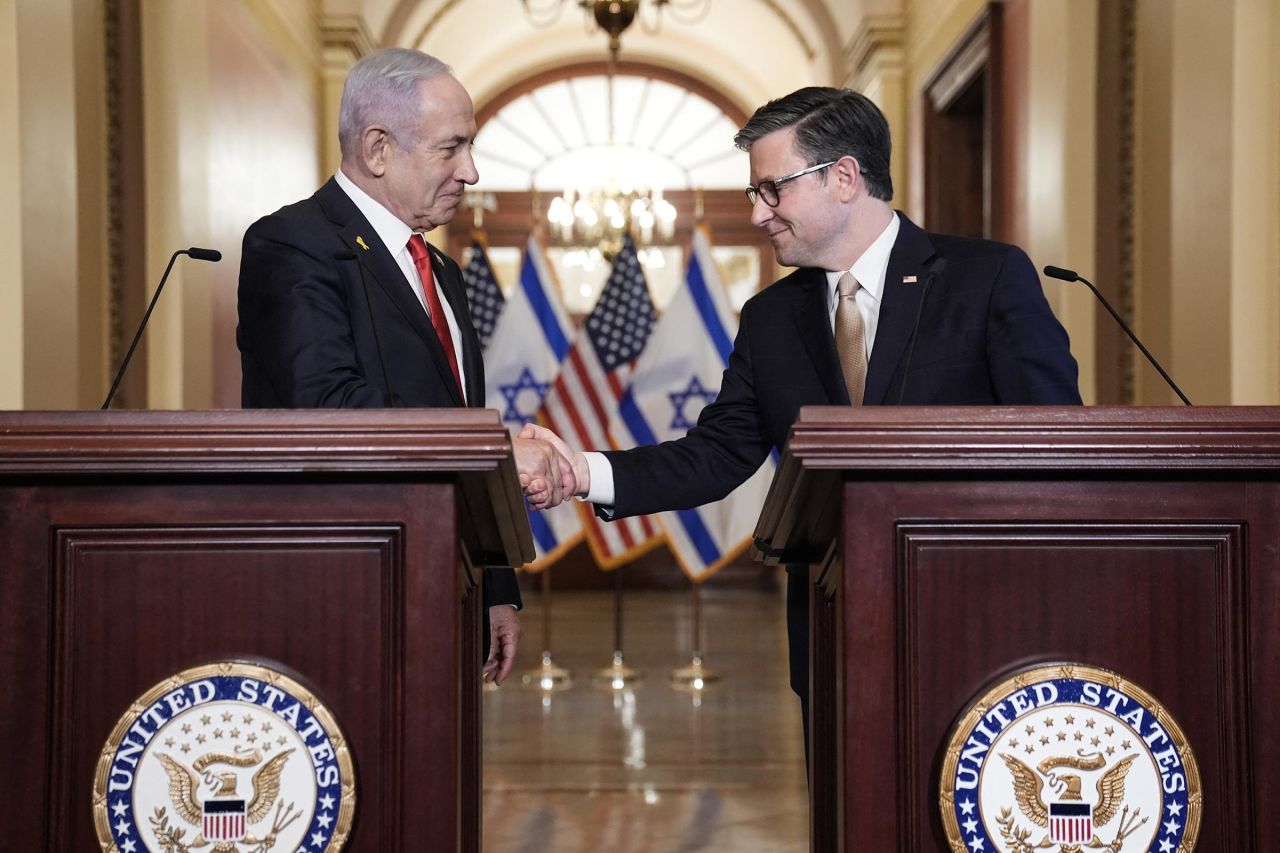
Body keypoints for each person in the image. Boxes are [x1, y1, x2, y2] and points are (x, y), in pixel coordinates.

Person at [522, 86, 1081, 741]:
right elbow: (718, 452)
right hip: (832, 624)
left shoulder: (984, 279)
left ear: (843, 177)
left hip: (980, 616)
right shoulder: (771, 316)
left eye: (771, 190)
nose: (759, 214)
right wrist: (582, 471)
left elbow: (1053, 441)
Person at [237, 47, 573, 685]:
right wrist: (498, 448)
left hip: (447, 580)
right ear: (377, 149)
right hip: (348, 582)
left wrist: (496, 582)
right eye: (452, 149)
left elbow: (460, 412)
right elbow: (326, 409)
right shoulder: (294, 245)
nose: (470, 171)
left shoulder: (440, 267)